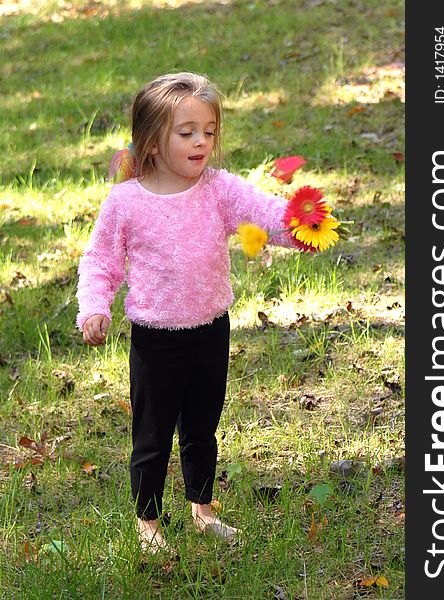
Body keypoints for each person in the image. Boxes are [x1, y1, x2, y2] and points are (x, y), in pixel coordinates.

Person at [75, 72, 298, 556]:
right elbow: (100, 261)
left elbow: (264, 212)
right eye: (187, 132)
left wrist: (302, 224)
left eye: (209, 131)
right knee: (152, 438)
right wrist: (95, 307)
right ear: (153, 143)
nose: (202, 141)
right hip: (156, 340)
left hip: (211, 331)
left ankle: (202, 508)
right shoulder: (126, 203)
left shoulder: (218, 189)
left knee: (201, 428)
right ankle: (149, 522)